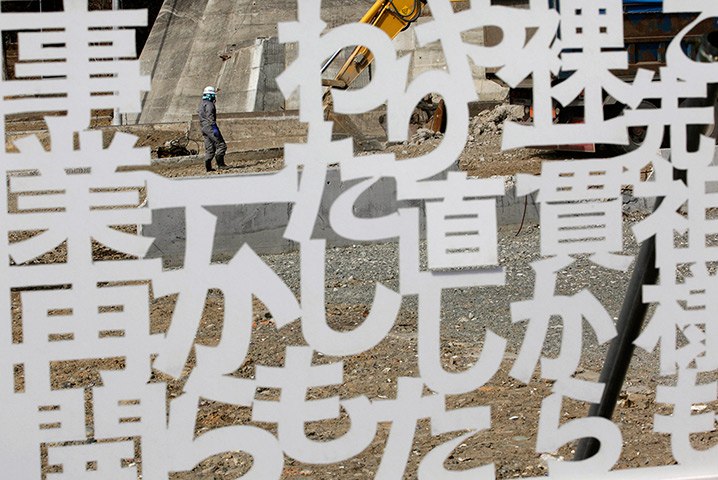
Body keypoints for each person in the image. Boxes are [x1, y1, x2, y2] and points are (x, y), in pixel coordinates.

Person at [198, 86, 229, 172]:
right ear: (210, 95)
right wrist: (214, 128)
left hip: (204, 128)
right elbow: (210, 117)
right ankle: (221, 164)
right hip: (210, 127)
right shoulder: (209, 105)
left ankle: (208, 167)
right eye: (213, 95)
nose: (214, 97)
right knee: (221, 145)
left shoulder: (201, 105)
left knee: (210, 148)